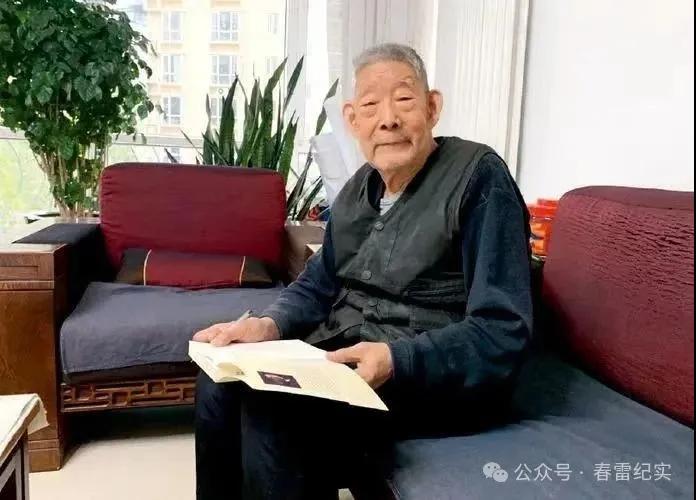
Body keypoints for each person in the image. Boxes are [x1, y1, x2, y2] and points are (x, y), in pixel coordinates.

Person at [193, 43, 533, 500]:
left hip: (433, 378)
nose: (387, 119)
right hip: (348, 361)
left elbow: (503, 328)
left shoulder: (478, 177)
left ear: (432, 108)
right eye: (371, 106)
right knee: (219, 379)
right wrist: (267, 325)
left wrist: (398, 360)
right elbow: (317, 284)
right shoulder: (358, 190)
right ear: (353, 120)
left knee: (274, 409)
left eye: (404, 99)